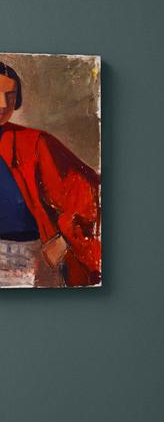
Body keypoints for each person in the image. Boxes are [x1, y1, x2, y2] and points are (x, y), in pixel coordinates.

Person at [0, 61, 101, 287]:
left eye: (11, 95)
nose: (2, 104)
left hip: (28, 259)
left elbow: (86, 190)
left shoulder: (34, 143)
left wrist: (64, 240)